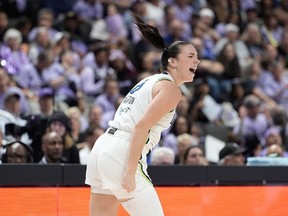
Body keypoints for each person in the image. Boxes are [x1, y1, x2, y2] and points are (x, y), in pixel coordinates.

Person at [85, 14, 200, 216]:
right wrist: (130, 172)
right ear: (172, 62)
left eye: (197, 57)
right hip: (123, 151)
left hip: (103, 147)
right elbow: (140, 126)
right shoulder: (171, 89)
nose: (197, 61)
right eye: (191, 56)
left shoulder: (148, 81)